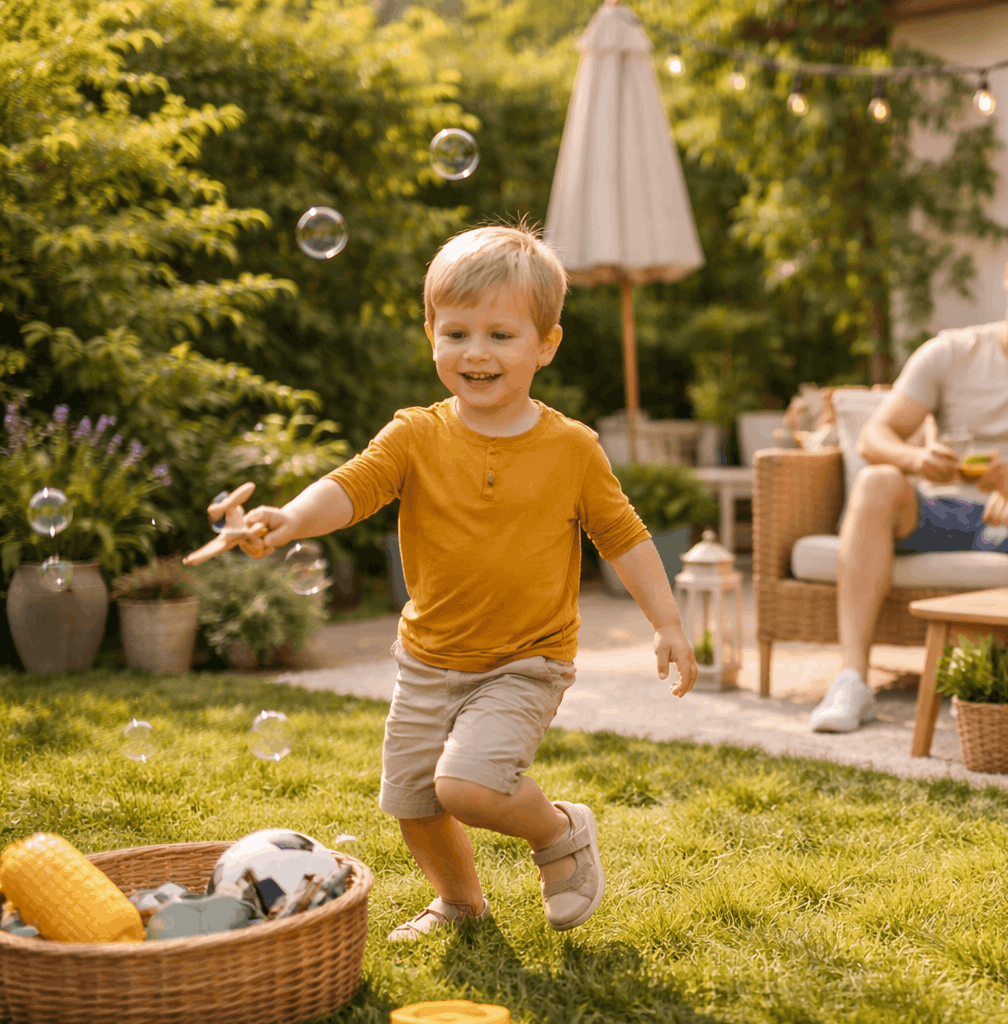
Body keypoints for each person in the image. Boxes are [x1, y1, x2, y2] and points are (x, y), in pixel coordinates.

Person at [244, 224, 698, 939]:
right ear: (430, 334)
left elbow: (626, 537)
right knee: (414, 801)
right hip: (429, 655)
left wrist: (668, 624)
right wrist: (290, 518)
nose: (476, 352)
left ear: (545, 344)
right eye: (456, 332)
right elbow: (352, 486)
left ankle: (559, 833)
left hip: (525, 660)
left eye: (500, 334)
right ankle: (460, 901)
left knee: (466, 786)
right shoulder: (414, 436)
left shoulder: (571, 447)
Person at [809, 224, 1008, 733]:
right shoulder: (951, 351)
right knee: (876, 481)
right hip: (933, 509)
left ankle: (998, 672)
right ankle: (852, 680)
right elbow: (876, 434)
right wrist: (917, 460)